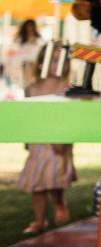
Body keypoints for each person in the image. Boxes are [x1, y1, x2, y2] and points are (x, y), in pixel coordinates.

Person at [16, 49, 76, 235]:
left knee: (54, 180)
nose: (56, 65)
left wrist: (64, 141)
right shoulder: (32, 88)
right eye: (52, 60)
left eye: (60, 61)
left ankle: (59, 203)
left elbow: (70, 118)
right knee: (37, 183)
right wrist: (27, 139)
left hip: (58, 143)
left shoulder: (66, 87)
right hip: (38, 142)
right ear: (41, 63)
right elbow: (27, 116)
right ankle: (40, 220)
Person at [10, 19, 42, 88]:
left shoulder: (38, 38)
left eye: (31, 26)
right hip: (23, 62)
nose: (29, 28)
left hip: (34, 61)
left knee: (33, 79)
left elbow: (40, 47)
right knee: (25, 80)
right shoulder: (21, 38)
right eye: (28, 26)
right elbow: (16, 47)